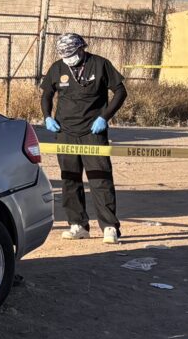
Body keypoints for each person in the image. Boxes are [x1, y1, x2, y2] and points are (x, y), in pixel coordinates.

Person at [40, 32, 127, 244]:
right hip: (65, 131)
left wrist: (104, 117)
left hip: (93, 132)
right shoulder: (57, 68)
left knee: (100, 178)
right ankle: (77, 225)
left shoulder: (100, 64)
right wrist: (47, 117)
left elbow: (120, 92)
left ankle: (109, 227)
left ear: (81, 48)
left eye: (71, 54)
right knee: (70, 178)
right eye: (64, 55)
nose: (69, 59)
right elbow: (47, 94)